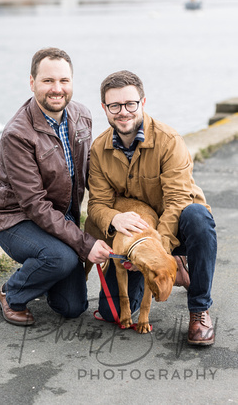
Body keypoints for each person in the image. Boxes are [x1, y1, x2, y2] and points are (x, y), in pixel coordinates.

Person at [85, 70, 217, 346]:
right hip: (134, 236)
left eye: (130, 103)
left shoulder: (169, 140)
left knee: (198, 216)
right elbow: (97, 204)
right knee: (111, 313)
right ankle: (174, 268)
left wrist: (158, 251)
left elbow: (178, 200)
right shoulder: (98, 150)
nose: (123, 112)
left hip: (172, 228)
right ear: (104, 108)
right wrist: (114, 218)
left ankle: (199, 309)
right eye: (115, 106)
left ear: (143, 103)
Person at [0, 47, 111, 326]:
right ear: (32, 83)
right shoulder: (17, 134)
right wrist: (84, 243)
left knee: (71, 307)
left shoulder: (81, 115)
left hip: (59, 218)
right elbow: (35, 205)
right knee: (61, 258)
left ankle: (44, 271)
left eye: (64, 81)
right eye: (48, 81)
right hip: (16, 218)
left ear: (72, 82)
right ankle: (12, 293)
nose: (57, 89)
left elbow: (93, 174)